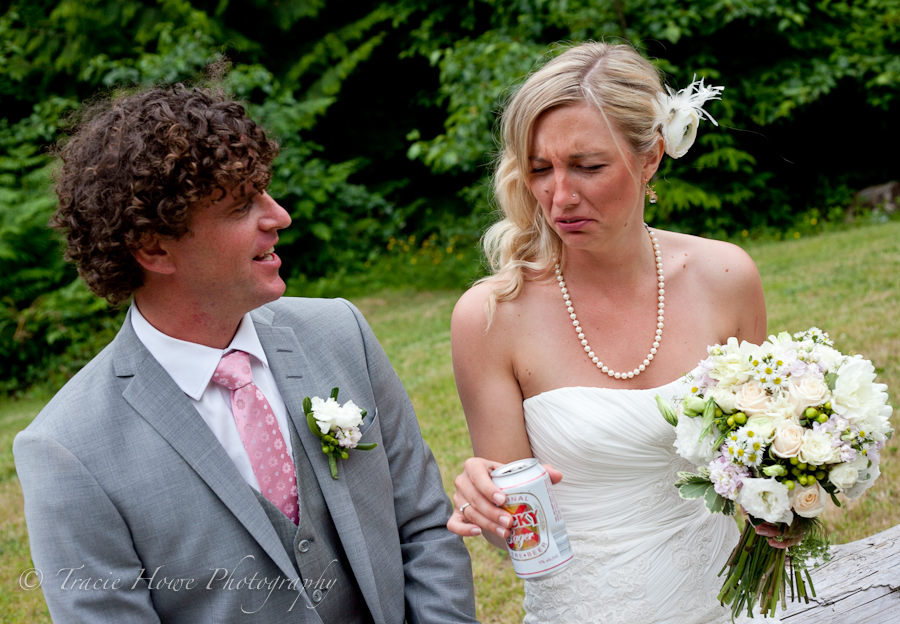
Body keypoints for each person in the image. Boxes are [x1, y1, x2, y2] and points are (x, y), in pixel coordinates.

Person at [14, 80, 478, 623]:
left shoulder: (340, 333)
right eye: (240, 207)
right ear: (154, 247)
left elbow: (424, 529)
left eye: (265, 191)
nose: (278, 216)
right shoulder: (68, 450)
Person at [446, 42, 773, 623]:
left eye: (588, 166)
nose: (560, 197)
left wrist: (795, 496)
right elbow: (516, 533)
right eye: (540, 170)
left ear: (650, 158)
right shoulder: (492, 316)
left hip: (726, 603)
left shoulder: (726, 277)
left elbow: (756, 466)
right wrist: (490, 507)